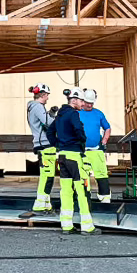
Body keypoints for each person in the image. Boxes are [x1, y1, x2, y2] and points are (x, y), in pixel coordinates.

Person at [46, 88, 101, 236]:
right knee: (82, 191)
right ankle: (87, 227)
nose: (83, 104)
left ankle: (66, 225)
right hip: (75, 157)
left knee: (66, 192)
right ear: (74, 100)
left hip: (62, 156)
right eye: (82, 101)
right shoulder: (73, 114)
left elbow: (49, 132)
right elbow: (79, 130)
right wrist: (81, 142)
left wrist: (58, 144)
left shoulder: (60, 115)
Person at [27, 83, 57, 213]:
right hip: (45, 145)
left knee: (47, 176)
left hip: (42, 144)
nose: (48, 98)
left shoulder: (33, 107)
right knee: (47, 176)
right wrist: (59, 117)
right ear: (43, 95)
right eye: (47, 96)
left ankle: (45, 204)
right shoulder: (38, 107)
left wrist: (50, 112)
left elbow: (43, 120)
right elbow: (48, 123)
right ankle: (40, 205)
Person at [79, 88, 112, 203]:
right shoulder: (76, 113)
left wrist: (104, 140)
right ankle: (85, 198)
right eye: (87, 103)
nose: (89, 105)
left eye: (91, 103)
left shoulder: (98, 113)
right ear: (82, 101)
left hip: (96, 150)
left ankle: (105, 197)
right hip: (82, 151)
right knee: (83, 176)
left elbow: (107, 128)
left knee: (102, 173)